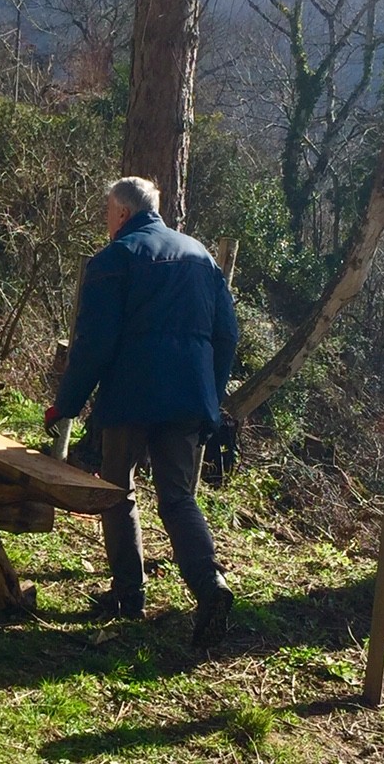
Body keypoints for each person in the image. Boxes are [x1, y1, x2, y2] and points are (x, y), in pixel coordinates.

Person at [44, 177, 238, 648]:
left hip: (132, 396)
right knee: (177, 498)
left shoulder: (114, 259)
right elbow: (227, 335)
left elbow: (93, 345)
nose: (106, 221)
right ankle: (210, 587)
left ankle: (129, 595)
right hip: (188, 397)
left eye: (108, 212)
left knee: (117, 491)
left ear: (122, 213)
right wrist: (209, 397)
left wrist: (66, 404)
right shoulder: (202, 256)